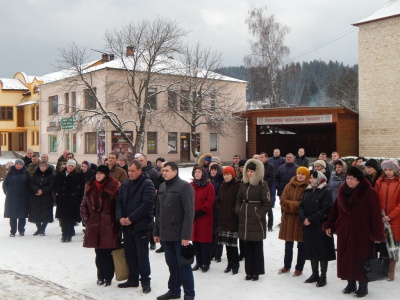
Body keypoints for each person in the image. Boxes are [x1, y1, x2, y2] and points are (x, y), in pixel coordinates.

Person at [322, 167, 385, 298]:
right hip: (344, 232)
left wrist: (377, 233)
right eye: (348, 178)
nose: (349, 181)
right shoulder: (342, 191)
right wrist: (330, 224)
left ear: (359, 180)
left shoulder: (369, 192)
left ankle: (363, 286)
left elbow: (375, 215)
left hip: (362, 233)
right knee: (347, 259)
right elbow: (335, 210)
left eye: (352, 179)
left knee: (362, 259)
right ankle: (350, 283)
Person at [153, 162, 195, 300]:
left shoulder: (184, 187)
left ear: (175, 172)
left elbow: (189, 213)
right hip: (166, 235)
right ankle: (174, 290)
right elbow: (158, 212)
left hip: (179, 236)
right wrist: (156, 231)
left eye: (166, 170)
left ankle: (189, 294)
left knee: (183, 265)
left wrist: (186, 236)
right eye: (162, 170)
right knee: (171, 265)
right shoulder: (162, 186)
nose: (163, 172)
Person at [115, 160, 155, 294]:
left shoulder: (147, 184)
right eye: (129, 171)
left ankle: (145, 281)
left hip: (141, 226)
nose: (130, 173)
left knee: (142, 255)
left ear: (139, 171)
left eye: (133, 171)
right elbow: (119, 202)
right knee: (130, 254)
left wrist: (131, 218)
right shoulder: (125, 184)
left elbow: (147, 204)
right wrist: (120, 217)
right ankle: (133, 278)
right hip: (126, 226)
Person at [80, 165, 121, 287]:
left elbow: (118, 205)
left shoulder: (114, 186)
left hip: (109, 224)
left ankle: (108, 277)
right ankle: (100, 276)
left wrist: (116, 221)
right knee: (98, 252)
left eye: (101, 173)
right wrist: (87, 220)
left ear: (106, 175)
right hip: (94, 224)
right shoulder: (89, 186)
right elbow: (83, 205)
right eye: (97, 173)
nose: (98, 175)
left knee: (107, 252)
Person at [299, 171, 336, 287]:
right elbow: (301, 206)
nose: (311, 180)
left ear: (320, 179)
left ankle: (323, 276)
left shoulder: (326, 191)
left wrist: (311, 219)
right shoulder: (308, 190)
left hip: (320, 226)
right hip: (308, 226)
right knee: (311, 250)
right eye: (311, 178)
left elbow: (326, 209)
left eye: (314, 178)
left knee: (321, 251)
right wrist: (303, 218)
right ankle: (314, 273)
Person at [236, 159, 270, 281]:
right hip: (244, 218)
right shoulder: (243, 183)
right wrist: (238, 209)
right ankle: (249, 271)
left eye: (252, 171)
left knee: (257, 246)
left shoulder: (262, 184)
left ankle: (256, 271)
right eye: (248, 171)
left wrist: (259, 214)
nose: (250, 173)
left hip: (256, 220)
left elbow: (267, 203)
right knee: (247, 247)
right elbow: (239, 198)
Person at [278, 166, 309, 276]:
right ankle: (287, 266)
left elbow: (305, 204)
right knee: (288, 244)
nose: (300, 175)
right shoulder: (288, 185)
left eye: (303, 174)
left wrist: (291, 204)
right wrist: (295, 205)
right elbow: (282, 201)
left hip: (300, 220)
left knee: (301, 245)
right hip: (288, 219)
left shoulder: (308, 187)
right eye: (298, 173)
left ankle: (299, 268)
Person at [374, 159, 400, 281]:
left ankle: (391, 271)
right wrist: (379, 214)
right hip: (380, 218)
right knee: (383, 245)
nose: (388, 172)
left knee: (393, 245)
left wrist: (389, 216)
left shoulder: (399, 183)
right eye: (386, 170)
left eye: (390, 170)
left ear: (395, 170)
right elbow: (374, 199)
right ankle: (383, 269)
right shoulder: (379, 182)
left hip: (395, 219)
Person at [190, 166, 215, 272]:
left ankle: (206, 263)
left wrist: (200, 212)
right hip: (193, 218)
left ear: (203, 174)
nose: (197, 174)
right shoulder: (191, 185)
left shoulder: (209, 186)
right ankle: (198, 262)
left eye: (199, 172)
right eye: (195, 172)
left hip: (204, 217)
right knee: (195, 241)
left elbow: (210, 201)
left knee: (204, 242)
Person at [217, 166, 241, 275]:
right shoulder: (222, 186)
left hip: (233, 218)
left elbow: (239, 201)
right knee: (226, 243)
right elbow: (219, 200)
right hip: (223, 218)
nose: (226, 176)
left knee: (232, 244)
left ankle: (235, 264)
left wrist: (234, 211)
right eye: (225, 174)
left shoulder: (237, 185)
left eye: (228, 174)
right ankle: (229, 263)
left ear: (232, 175)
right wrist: (219, 210)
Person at [54, 159, 85, 242]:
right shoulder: (60, 174)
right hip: (61, 200)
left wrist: (75, 194)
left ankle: (69, 234)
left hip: (71, 200)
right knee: (62, 218)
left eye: (72, 166)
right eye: (69, 165)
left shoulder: (77, 176)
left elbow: (80, 187)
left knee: (70, 218)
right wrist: (56, 192)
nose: (70, 167)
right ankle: (64, 234)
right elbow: (55, 184)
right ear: (67, 165)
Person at [3, 159, 31, 237]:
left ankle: (21, 230)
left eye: (20, 164)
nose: (18, 165)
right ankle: (13, 231)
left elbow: (30, 184)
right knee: (13, 215)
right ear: (15, 165)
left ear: (22, 165)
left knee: (22, 215)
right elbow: (5, 183)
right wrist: (6, 191)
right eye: (17, 164)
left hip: (23, 198)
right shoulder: (10, 173)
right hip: (12, 198)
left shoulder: (26, 173)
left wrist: (28, 193)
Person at [29, 160, 55, 236]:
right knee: (36, 213)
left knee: (45, 214)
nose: (42, 168)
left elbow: (51, 185)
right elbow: (31, 183)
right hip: (36, 196)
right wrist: (37, 190)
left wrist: (42, 190)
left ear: (47, 167)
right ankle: (38, 228)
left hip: (46, 197)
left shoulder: (51, 175)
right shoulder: (35, 174)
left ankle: (43, 229)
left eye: (44, 166)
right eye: (41, 166)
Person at [209, 162, 224, 262]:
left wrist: (213, 198)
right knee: (211, 232)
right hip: (210, 210)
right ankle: (212, 253)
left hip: (218, 209)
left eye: (215, 170)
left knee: (218, 232)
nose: (213, 172)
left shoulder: (221, 181)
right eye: (212, 170)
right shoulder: (209, 180)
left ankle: (218, 254)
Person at [259, 152, 275, 231]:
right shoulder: (258, 166)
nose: (261, 158)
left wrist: (263, 184)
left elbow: (271, 178)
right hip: (259, 190)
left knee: (269, 208)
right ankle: (262, 223)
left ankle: (270, 225)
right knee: (261, 207)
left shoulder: (270, 166)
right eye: (260, 157)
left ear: (266, 158)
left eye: (262, 157)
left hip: (267, 189)